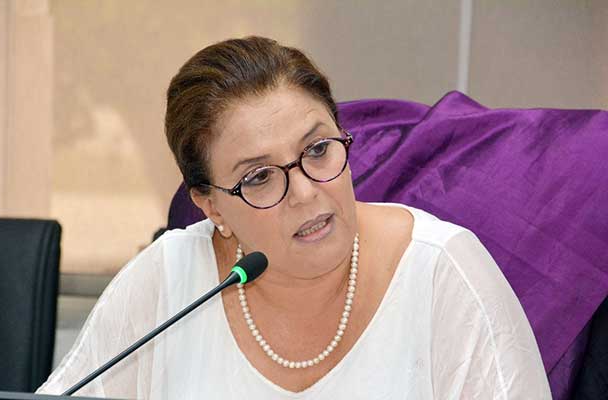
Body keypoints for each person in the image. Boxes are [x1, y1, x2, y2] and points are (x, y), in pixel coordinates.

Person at [38, 36, 551, 399]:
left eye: (319, 150)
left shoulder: (443, 274)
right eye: (260, 176)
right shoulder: (166, 285)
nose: (306, 193)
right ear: (211, 205)